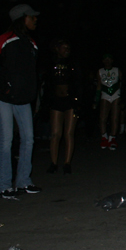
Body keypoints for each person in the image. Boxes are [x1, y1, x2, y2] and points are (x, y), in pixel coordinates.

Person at [0, 4, 42, 199]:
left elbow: (31, 74)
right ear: (21, 18)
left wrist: (30, 93)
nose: (35, 20)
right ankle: (3, 184)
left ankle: (23, 181)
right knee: (6, 139)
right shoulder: (6, 39)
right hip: (3, 98)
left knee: (28, 139)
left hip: (22, 99)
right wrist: (4, 88)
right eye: (31, 16)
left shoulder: (31, 43)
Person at [44, 39, 81, 174]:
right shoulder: (51, 63)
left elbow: (78, 82)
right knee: (55, 134)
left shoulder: (72, 64)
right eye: (63, 47)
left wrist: (78, 100)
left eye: (68, 48)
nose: (66, 50)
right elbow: (47, 82)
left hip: (70, 101)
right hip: (56, 101)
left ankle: (67, 163)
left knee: (69, 133)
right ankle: (53, 162)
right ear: (57, 49)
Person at [96, 54, 121, 151]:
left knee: (114, 117)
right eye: (105, 59)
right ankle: (104, 137)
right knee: (103, 117)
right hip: (105, 93)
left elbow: (122, 82)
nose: (107, 61)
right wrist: (96, 99)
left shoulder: (117, 70)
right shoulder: (100, 71)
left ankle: (112, 138)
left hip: (116, 94)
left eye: (109, 59)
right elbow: (98, 85)